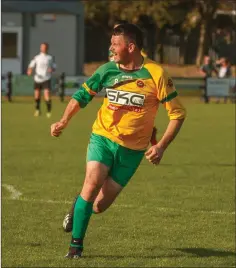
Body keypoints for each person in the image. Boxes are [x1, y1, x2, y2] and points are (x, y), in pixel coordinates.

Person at [51, 23, 186, 258]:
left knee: (98, 206)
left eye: (116, 44)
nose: (111, 48)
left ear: (131, 47)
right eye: (111, 43)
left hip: (132, 151)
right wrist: (63, 121)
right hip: (103, 137)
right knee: (92, 183)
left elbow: (177, 114)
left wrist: (161, 146)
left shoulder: (156, 74)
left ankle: (79, 203)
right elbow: (82, 96)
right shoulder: (107, 70)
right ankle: (75, 248)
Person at [27, 42, 56, 117]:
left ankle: (48, 111)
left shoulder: (50, 58)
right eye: (42, 47)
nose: (43, 48)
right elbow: (31, 65)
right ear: (40, 48)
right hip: (37, 78)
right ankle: (37, 110)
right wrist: (29, 70)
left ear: (47, 48)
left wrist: (52, 69)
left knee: (46, 94)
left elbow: (54, 66)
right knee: (37, 95)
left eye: (44, 47)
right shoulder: (37, 57)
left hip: (46, 78)